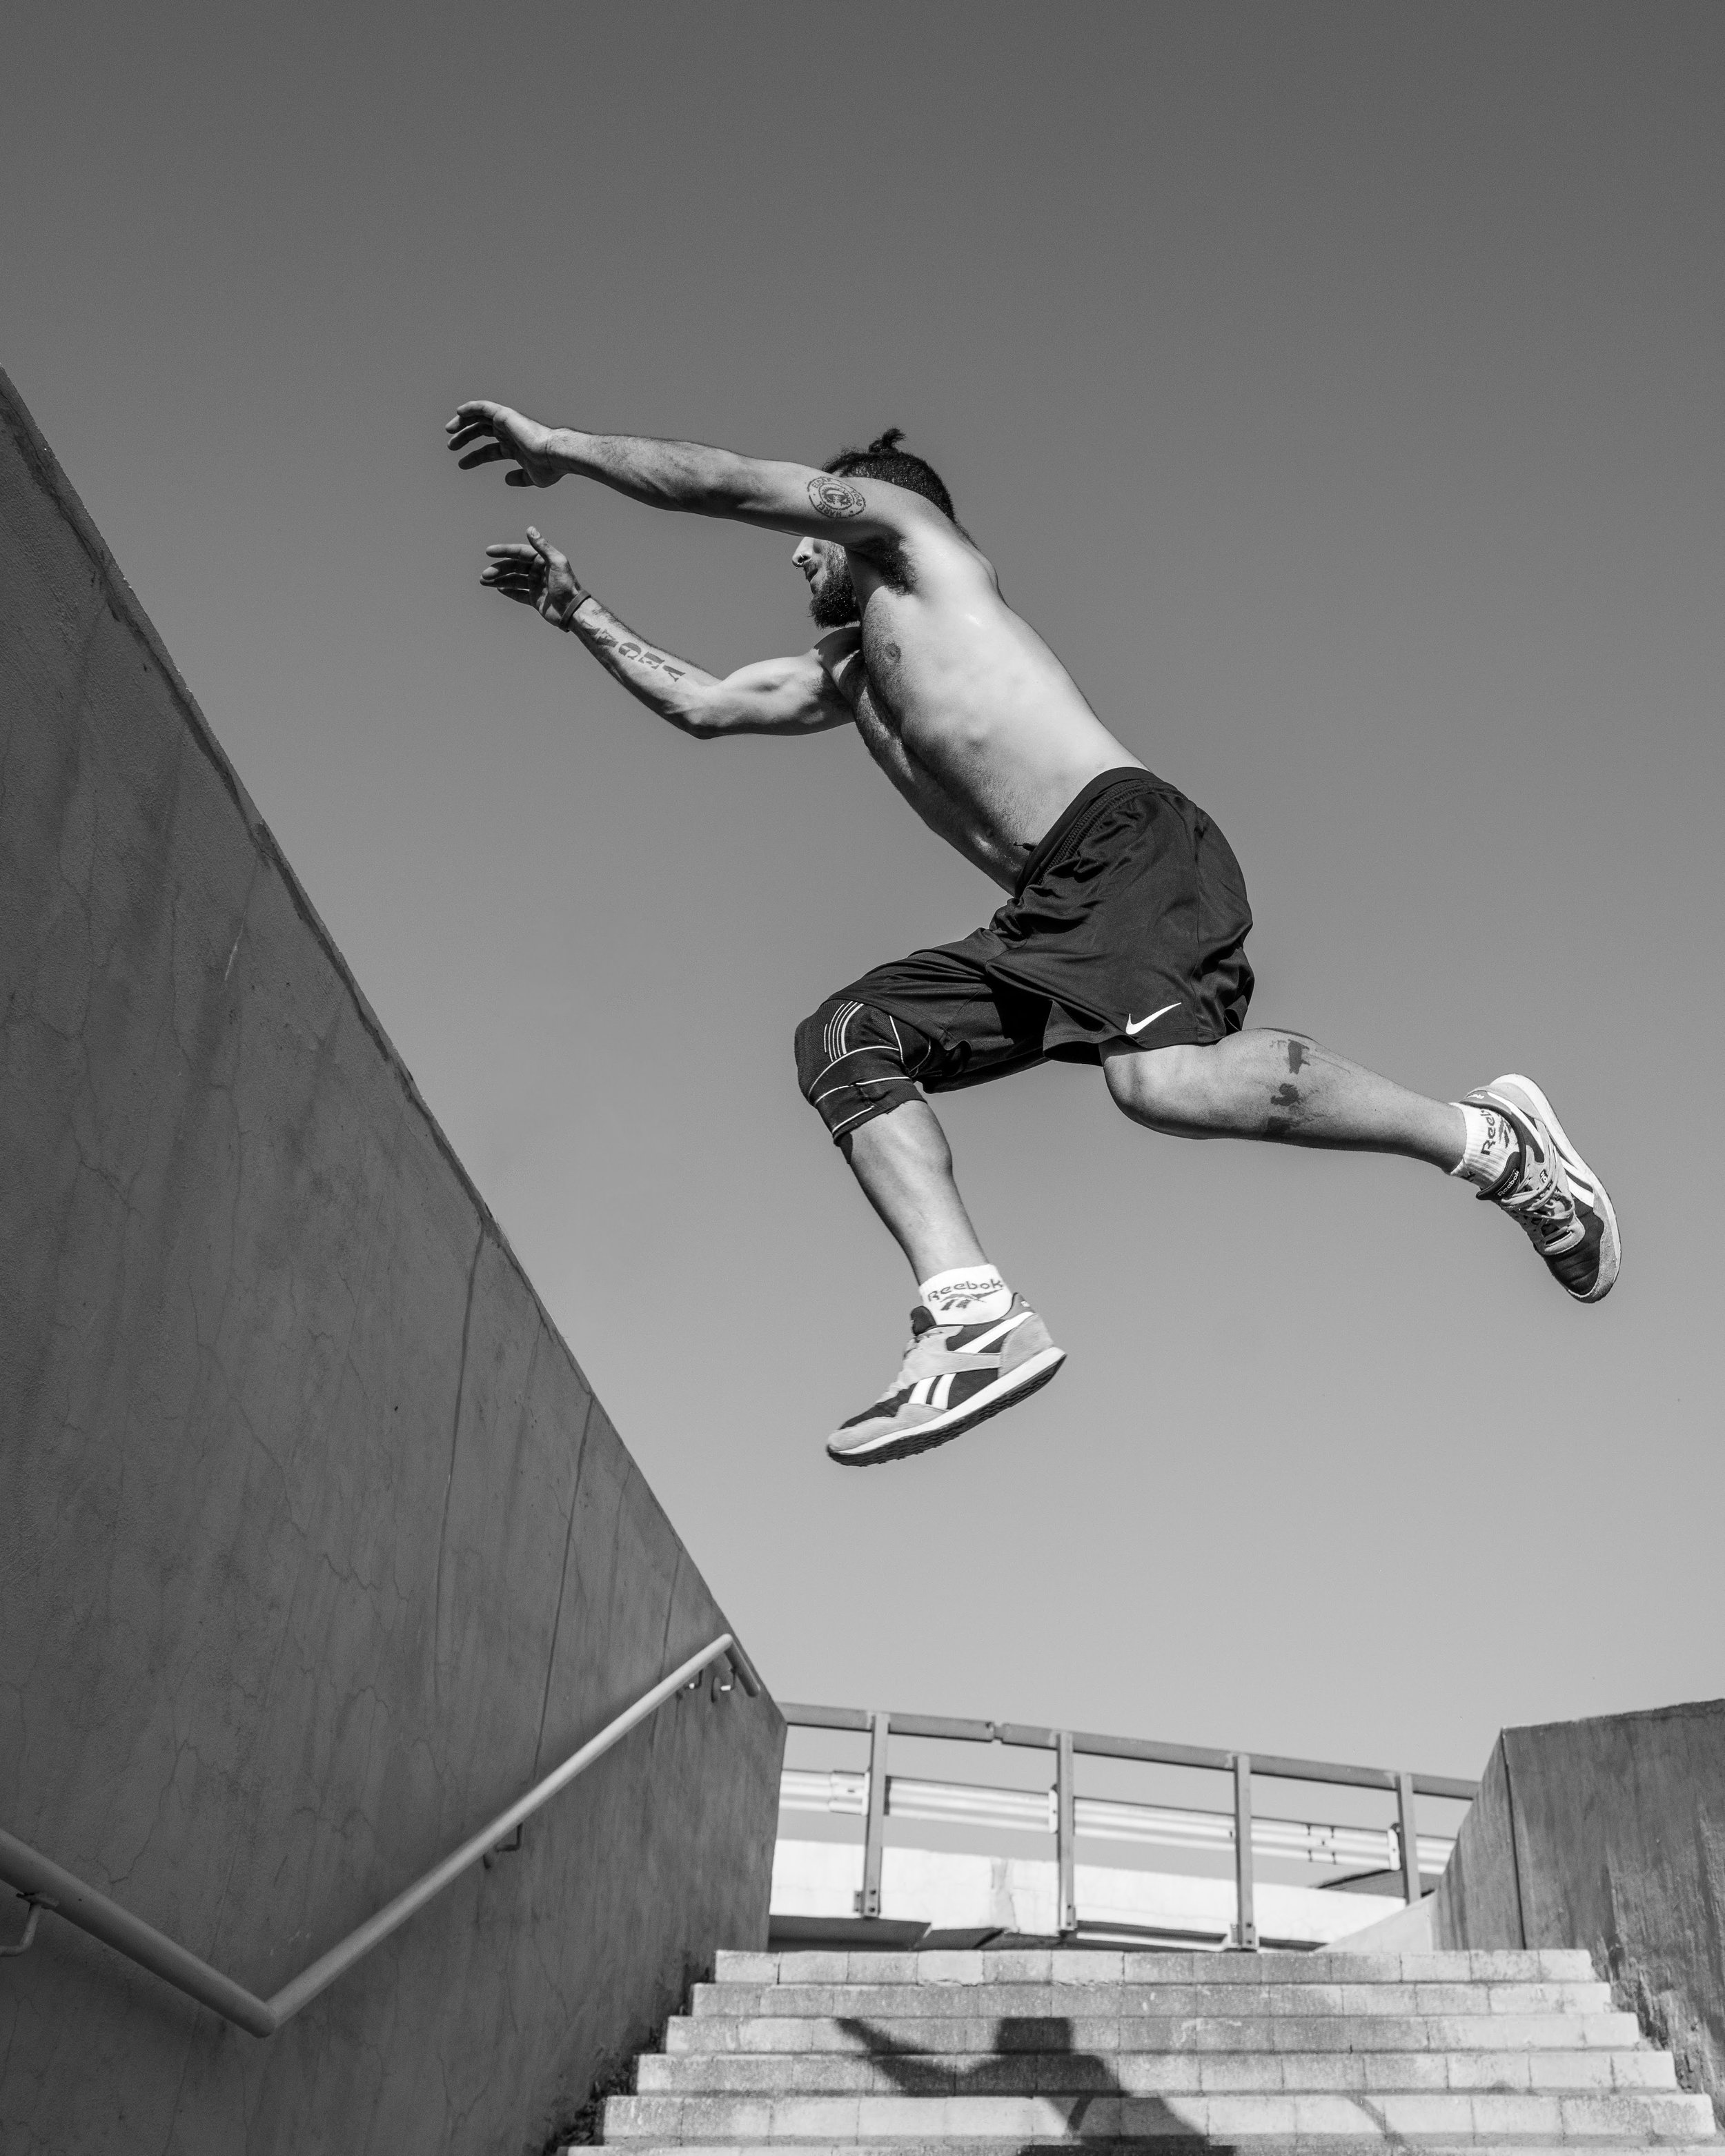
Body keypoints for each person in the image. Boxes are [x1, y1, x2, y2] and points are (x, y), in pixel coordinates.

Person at [448, 402, 1619, 1467]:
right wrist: (579, 612)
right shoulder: (846, 670)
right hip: (1047, 911)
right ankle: (970, 1314)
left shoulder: (916, 544)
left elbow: (727, 482)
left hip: (1126, 839)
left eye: (808, 532)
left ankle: (1490, 1141)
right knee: (846, 1037)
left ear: (850, 512)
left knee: (1160, 1086)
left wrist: (565, 450)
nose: (796, 554)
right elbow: (703, 705)